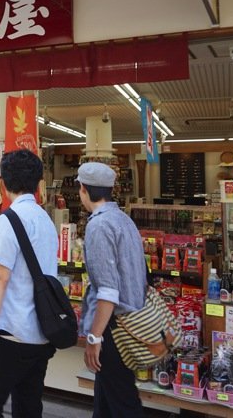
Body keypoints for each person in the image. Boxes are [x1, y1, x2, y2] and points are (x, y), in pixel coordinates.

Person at [0, 149, 58, 418]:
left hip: (12, 335)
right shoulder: (46, 220)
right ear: (38, 183)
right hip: (41, 335)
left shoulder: (9, 221)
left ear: (3, 183)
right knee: (29, 407)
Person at [77, 162, 147, 417]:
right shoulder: (124, 219)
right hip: (132, 323)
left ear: (83, 190)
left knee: (122, 402)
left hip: (114, 328)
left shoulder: (98, 226)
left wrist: (95, 338)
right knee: (107, 399)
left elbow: (107, 290)